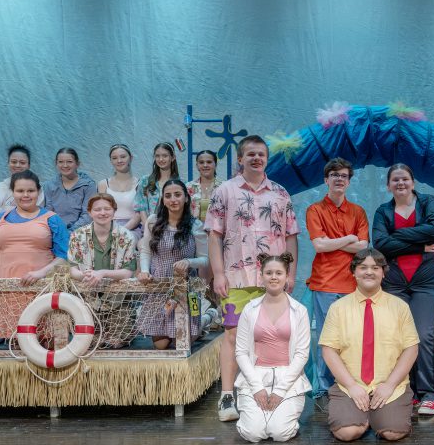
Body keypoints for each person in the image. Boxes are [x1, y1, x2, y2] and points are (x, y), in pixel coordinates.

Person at [206, 135, 299, 422]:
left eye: (261, 154)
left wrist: (291, 273)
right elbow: (214, 235)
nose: (256, 158)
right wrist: (218, 274)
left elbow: (291, 236)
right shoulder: (225, 191)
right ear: (241, 159)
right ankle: (226, 396)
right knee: (233, 336)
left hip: (272, 280)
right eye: (251, 154)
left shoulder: (281, 193)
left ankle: (269, 394)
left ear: (267, 158)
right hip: (235, 278)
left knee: (272, 337)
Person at [319, 248, 419, 442]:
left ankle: (376, 416)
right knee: (347, 433)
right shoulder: (338, 308)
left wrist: (389, 385)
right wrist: (351, 385)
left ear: (383, 272)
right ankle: (364, 418)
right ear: (354, 272)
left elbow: (411, 348)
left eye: (375, 267)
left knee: (393, 433)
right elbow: (329, 351)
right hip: (351, 384)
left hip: (390, 386)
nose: (369, 272)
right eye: (363, 267)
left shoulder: (400, 307)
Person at [372, 164, 434, 416]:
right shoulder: (383, 211)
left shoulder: (429, 203)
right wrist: (418, 245)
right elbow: (380, 244)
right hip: (394, 282)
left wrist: (397, 236)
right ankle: (406, 390)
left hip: (427, 281)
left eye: (405, 179)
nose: (400, 183)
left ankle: (428, 393)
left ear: (413, 182)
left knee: (424, 334)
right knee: (396, 338)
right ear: (388, 185)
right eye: (395, 180)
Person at [0, 170, 70, 340]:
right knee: (14, 347)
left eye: (31, 191)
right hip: (9, 294)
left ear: (39, 192)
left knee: (43, 345)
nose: (25, 195)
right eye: (20, 191)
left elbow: (63, 259)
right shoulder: (0, 219)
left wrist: (40, 273)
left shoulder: (53, 219)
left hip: (42, 292)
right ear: (13, 192)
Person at [305, 158, 369, 398]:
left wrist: (336, 243)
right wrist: (349, 238)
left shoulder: (358, 211)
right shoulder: (315, 210)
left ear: (349, 181)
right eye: (334, 175)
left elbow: (363, 247)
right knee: (327, 336)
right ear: (326, 180)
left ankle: (348, 383)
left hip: (354, 284)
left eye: (344, 175)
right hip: (325, 282)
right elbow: (319, 246)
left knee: (352, 336)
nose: (339, 179)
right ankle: (323, 387)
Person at [233, 253, 311, 442]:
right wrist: (257, 387)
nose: (273, 277)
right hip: (256, 374)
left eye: (278, 273)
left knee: (279, 433)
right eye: (269, 273)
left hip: (288, 377)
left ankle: (276, 418)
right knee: (253, 434)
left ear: (287, 276)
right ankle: (260, 419)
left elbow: (301, 354)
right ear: (261, 275)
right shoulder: (250, 310)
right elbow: (241, 352)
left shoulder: (300, 311)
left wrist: (280, 390)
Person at [137, 180, 208, 350]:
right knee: (161, 346)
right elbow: (146, 251)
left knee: (182, 343)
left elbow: (205, 260)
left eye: (177, 195)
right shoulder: (153, 221)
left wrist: (189, 262)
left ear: (185, 198)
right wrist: (145, 271)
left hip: (187, 289)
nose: (173, 199)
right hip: (159, 287)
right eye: (168, 196)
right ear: (163, 199)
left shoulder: (195, 225)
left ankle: (207, 318)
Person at [67, 194, 138, 348]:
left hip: (119, 301)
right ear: (89, 212)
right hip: (88, 300)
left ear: (114, 211)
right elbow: (73, 269)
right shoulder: (77, 236)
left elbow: (128, 272)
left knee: (115, 343)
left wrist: (102, 273)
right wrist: (84, 275)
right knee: (90, 343)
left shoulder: (127, 236)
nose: (102, 213)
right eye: (97, 209)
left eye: (107, 209)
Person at [0, 144, 45, 229]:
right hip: (1, 235)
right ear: (8, 163)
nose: (17, 165)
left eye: (22, 163)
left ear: (29, 165)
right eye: (13, 162)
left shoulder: (37, 188)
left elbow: (38, 216)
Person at [43, 147, 97, 231]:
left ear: (77, 164)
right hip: (55, 231)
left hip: (81, 232)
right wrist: (57, 231)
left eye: (69, 162)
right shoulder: (49, 185)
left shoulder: (88, 185)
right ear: (56, 163)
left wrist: (71, 232)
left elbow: (88, 214)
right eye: (61, 162)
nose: (65, 165)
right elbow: (47, 211)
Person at [97, 144, 142, 239]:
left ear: (131, 158)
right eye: (114, 158)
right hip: (107, 226)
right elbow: (100, 211)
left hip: (132, 228)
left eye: (123, 157)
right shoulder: (103, 184)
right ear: (111, 161)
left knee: (123, 240)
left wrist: (120, 230)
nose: (119, 161)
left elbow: (139, 215)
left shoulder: (140, 184)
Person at [135, 142, 180, 227]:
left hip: (172, 227)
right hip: (149, 226)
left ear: (173, 157)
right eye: (157, 156)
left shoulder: (180, 183)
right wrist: (147, 227)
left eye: (165, 156)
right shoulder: (145, 181)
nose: (161, 159)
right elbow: (141, 207)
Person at [185, 150, 220, 224]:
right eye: (201, 162)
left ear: (215, 165)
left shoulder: (224, 187)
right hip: (193, 232)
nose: (205, 165)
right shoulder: (188, 187)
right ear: (197, 166)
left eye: (209, 162)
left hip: (218, 232)